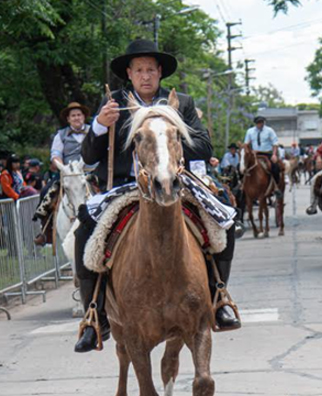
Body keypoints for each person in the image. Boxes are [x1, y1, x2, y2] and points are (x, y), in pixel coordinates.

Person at [73, 39, 240, 354]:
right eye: (139, 70)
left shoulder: (180, 103)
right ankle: (95, 316)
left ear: (160, 71)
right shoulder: (113, 103)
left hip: (176, 181)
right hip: (127, 186)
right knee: (85, 231)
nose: (145, 76)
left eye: (151, 69)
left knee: (224, 219)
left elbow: (204, 146)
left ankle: (218, 298)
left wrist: (169, 135)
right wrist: (99, 126)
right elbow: (89, 156)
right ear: (129, 73)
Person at [32, 102, 93, 245]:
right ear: (68, 119)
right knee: (47, 191)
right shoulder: (60, 135)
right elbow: (55, 154)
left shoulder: (93, 131)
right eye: (73, 116)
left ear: (84, 117)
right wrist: (62, 167)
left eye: (79, 115)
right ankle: (46, 231)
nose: (76, 118)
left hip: (90, 172)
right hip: (69, 173)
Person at [244, 115, 281, 184]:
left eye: (262, 122)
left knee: (275, 167)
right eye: (258, 122)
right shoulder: (250, 131)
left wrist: (274, 154)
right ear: (255, 123)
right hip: (255, 154)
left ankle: (276, 185)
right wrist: (248, 152)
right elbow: (246, 144)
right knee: (242, 166)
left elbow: (275, 143)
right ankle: (241, 185)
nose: (260, 124)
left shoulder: (269, 130)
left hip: (266, 153)